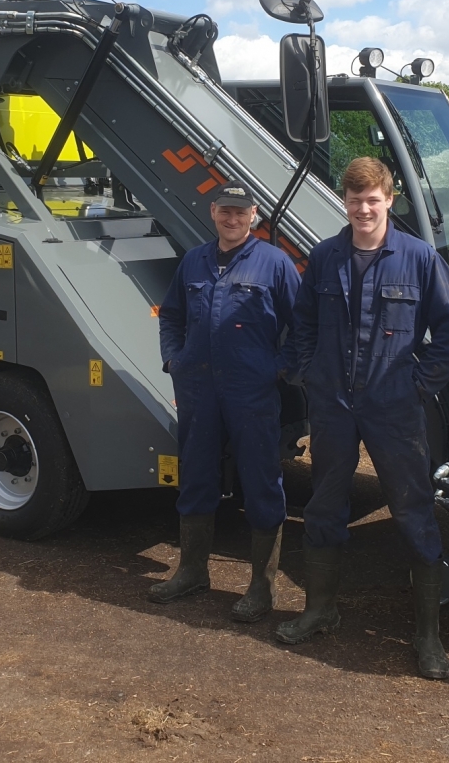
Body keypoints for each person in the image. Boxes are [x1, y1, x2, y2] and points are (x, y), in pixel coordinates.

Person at [275, 157, 449, 680]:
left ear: (390, 199)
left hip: (394, 409)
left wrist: (416, 387)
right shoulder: (326, 257)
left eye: (372, 200)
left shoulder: (420, 259)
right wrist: (310, 373)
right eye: (354, 200)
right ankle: (319, 609)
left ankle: (427, 636)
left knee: (413, 509)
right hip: (334, 405)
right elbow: (303, 324)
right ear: (345, 201)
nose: (363, 209)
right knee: (325, 504)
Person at [152, 181, 300, 621]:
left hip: (251, 391)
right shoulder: (194, 261)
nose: (232, 219)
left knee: (260, 479)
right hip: (198, 387)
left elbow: (303, 326)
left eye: (241, 212)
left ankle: (262, 587)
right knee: (196, 475)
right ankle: (193, 571)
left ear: (254, 215)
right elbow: (172, 315)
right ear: (213, 212)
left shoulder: (275, 264)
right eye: (224, 211)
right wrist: (173, 360)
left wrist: (279, 368)